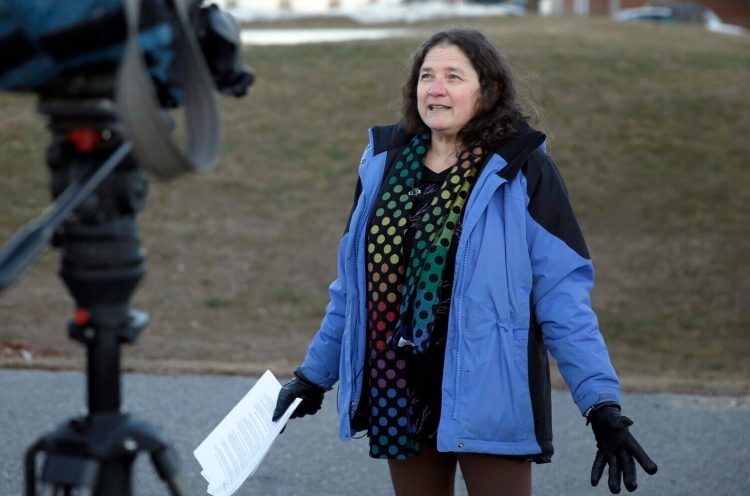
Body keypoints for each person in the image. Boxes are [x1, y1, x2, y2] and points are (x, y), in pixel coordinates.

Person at [273, 28, 657, 496]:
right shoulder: (382, 163)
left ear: (488, 91)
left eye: (454, 76)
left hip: (489, 394)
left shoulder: (521, 168)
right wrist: (312, 377)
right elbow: (354, 291)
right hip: (399, 392)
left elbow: (563, 296)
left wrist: (601, 405)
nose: (435, 89)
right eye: (426, 76)